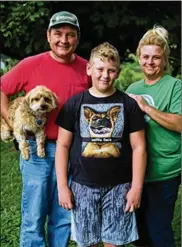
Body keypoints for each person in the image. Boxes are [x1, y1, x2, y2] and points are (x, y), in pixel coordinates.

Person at [1, 11, 90, 247]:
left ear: (77, 39)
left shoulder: (87, 68)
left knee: (63, 212)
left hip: (72, 150)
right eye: (58, 34)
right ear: (48, 36)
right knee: (34, 213)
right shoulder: (30, 64)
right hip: (36, 148)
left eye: (70, 35)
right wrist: (13, 125)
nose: (64, 40)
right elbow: (2, 90)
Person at [55, 42, 147, 247]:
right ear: (89, 69)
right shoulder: (74, 103)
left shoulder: (128, 105)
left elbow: (139, 147)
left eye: (111, 70)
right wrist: (62, 186)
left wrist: (136, 187)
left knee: (113, 242)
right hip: (82, 186)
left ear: (118, 72)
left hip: (120, 186)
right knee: (87, 242)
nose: (105, 75)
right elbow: (62, 146)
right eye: (100, 69)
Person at [126, 25, 181, 247]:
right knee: (138, 232)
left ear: (164, 59)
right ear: (139, 57)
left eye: (156, 57)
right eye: (146, 56)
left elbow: (179, 123)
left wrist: (146, 108)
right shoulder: (132, 87)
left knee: (158, 229)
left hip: (164, 170)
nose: (150, 62)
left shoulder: (175, 86)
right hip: (137, 171)